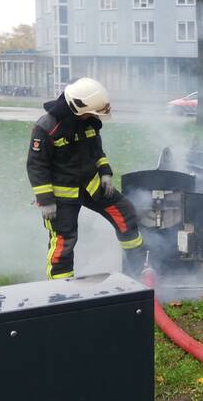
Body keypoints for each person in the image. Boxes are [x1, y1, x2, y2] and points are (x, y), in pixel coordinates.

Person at [26, 77, 145, 279]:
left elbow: (96, 149)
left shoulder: (87, 120)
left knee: (126, 214)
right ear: (78, 106)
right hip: (61, 197)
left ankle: (136, 272)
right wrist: (46, 201)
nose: (94, 115)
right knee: (64, 241)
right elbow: (36, 165)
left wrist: (105, 171)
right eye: (92, 111)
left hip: (92, 186)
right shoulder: (46, 127)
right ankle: (61, 291)